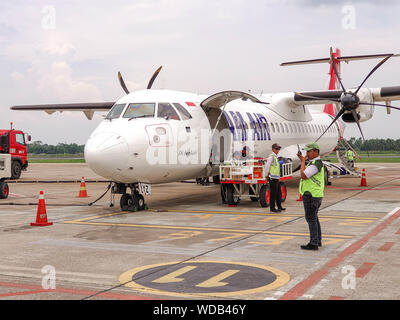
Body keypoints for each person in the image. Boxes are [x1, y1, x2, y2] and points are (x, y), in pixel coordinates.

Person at [297, 142, 325, 251]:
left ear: (316, 152)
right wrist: (304, 161)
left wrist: (303, 162)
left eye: (309, 151)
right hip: (315, 194)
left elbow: (303, 175)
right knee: (314, 218)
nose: (307, 153)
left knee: (311, 218)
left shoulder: (315, 164)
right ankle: (317, 240)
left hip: (312, 195)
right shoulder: (315, 162)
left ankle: (313, 243)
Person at [264, 143, 285, 213]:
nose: (278, 150)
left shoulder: (276, 157)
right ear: (273, 149)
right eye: (276, 149)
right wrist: (266, 175)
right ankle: (272, 208)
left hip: (276, 178)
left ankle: (279, 206)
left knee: (278, 193)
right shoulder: (271, 157)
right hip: (272, 178)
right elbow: (267, 166)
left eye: (278, 149)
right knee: (273, 194)